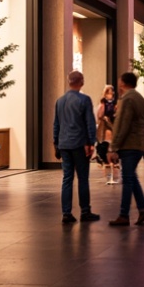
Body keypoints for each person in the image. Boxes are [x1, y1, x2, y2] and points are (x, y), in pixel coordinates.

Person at [52, 70, 99, 224]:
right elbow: (89, 123)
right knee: (83, 178)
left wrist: (56, 144)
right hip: (79, 144)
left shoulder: (60, 101)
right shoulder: (84, 100)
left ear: (69, 81)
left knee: (67, 178)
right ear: (82, 81)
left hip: (64, 144)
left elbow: (56, 124)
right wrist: (91, 143)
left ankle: (66, 213)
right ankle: (85, 211)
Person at [106, 72, 144, 226]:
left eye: (119, 82)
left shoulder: (127, 99)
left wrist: (113, 147)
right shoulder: (140, 98)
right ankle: (143, 209)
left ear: (123, 83)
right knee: (131, 177)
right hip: (138, 144)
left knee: (127, 180)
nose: (118, 85)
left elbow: (122, 125)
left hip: (129, 145)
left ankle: (124, 215)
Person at [97, 85, 119, 184]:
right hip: (106, 129)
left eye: (112, 92)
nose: (112, 94)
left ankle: (112, 175)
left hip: (113, 128)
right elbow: (99, 115)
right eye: (110, 92)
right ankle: (109, 175)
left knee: (112, 150)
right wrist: (105, 118)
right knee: (107, 149)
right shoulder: (103, 104)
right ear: (106, 94)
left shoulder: (114, 104)